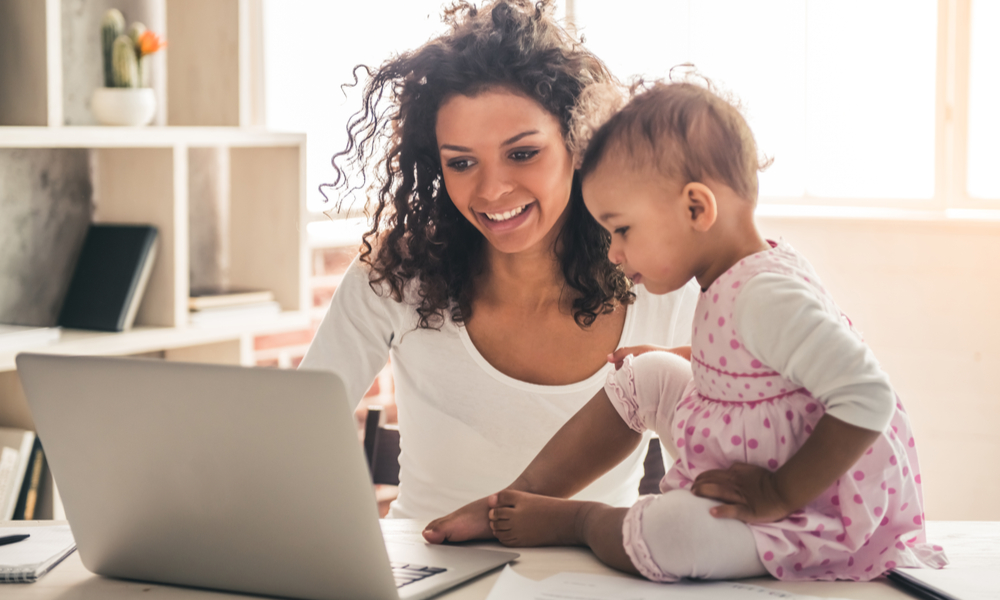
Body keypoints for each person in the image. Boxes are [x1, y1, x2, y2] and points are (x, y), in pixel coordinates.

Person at [435, 79, 949, 582]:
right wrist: (682, 355)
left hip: (806, 506)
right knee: (651, 371)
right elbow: (766, 369)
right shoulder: (737, 275)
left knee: (674, 533)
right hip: (756, 448)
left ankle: (581, 521)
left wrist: (779, 493)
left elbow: (867, 397)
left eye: (622, 230)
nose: (613, 252)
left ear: (696, 208)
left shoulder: (764, 295)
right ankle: (522, 494)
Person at [300, 0, 699, 526]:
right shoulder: (396, 274)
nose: (490, 190)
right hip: (426, 570)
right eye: (462, 163)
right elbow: (293, 436)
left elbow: (703, 486)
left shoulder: (663, 283)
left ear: (579, 143)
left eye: (522, 153)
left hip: (590, 577)